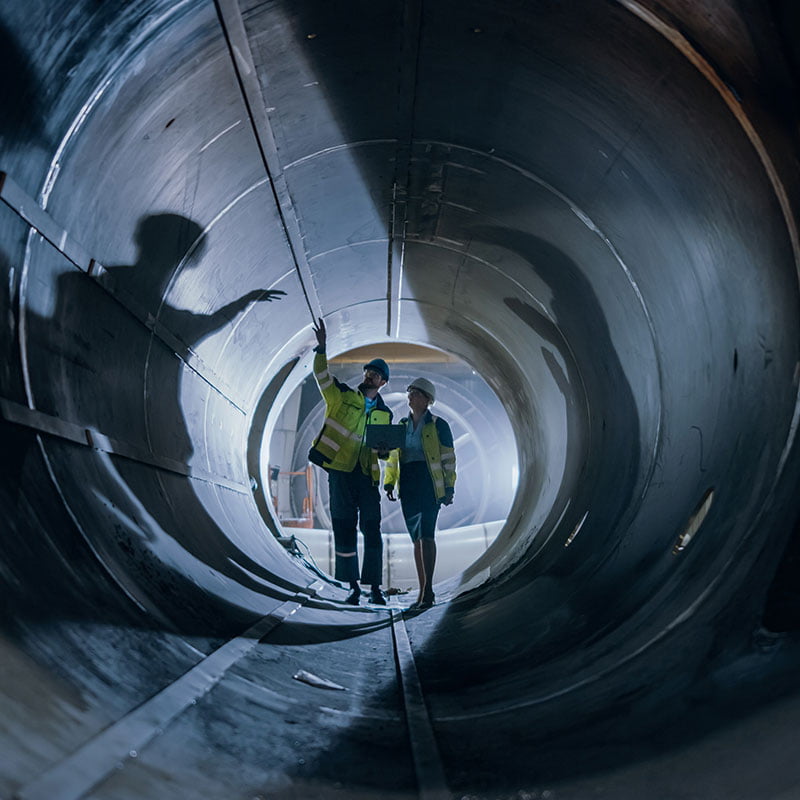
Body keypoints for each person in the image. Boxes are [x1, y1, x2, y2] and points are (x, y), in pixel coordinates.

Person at [308, 318, 393, 605]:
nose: (370, 376)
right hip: (340, 474)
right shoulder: (342, 396)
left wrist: (385, 451)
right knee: (344, 529)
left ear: (383, 383)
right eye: (368, 371)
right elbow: (321, 375)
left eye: (376, 374)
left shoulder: (385, 415)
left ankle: (376, 589)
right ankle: (354, 588)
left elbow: (384, 453)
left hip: (367, 478)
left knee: (372, 531)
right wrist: (322, 348)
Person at [384, 377, 456, 609]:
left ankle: (429, 590)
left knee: (427, 535)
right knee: (416, 538)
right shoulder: (402, 425)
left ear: (427, 399)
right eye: (410, 392)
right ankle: (423, 588)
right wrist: (389, 483)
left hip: (428, 484)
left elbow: (448, 459)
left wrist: (449, 487)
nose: (410, 396)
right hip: (409, 484)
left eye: (415, 393)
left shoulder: (438, 425)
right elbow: (394, 458)